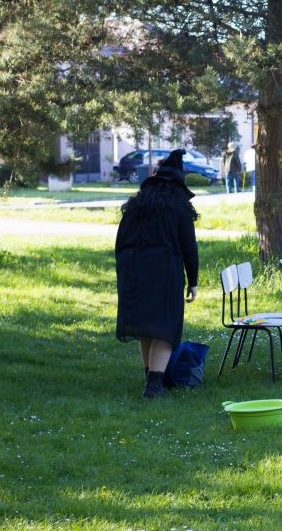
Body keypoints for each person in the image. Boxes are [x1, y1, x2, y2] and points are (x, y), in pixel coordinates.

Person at [115, 149, 199, 398]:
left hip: (133, 270)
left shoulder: (136, 204)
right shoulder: (179, 207)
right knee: (164, 328)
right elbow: (189, 248)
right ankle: (154, 385)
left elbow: (121, 241)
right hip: (164, 272)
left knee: (145, 327)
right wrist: (193, 281)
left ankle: (150, 378)